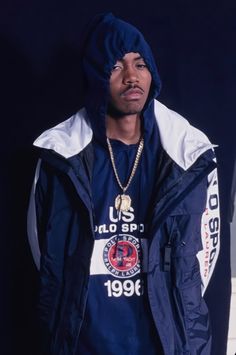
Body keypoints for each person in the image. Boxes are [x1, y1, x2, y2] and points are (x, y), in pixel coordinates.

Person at [27, 12, 220, 355]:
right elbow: (44, 253)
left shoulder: (190, 155)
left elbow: (205, 256)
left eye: (140, 64)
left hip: (169, 345)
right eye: (116, 67)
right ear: (96, 77)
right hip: (83, 345)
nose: (132, 77)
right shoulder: (60, 157)